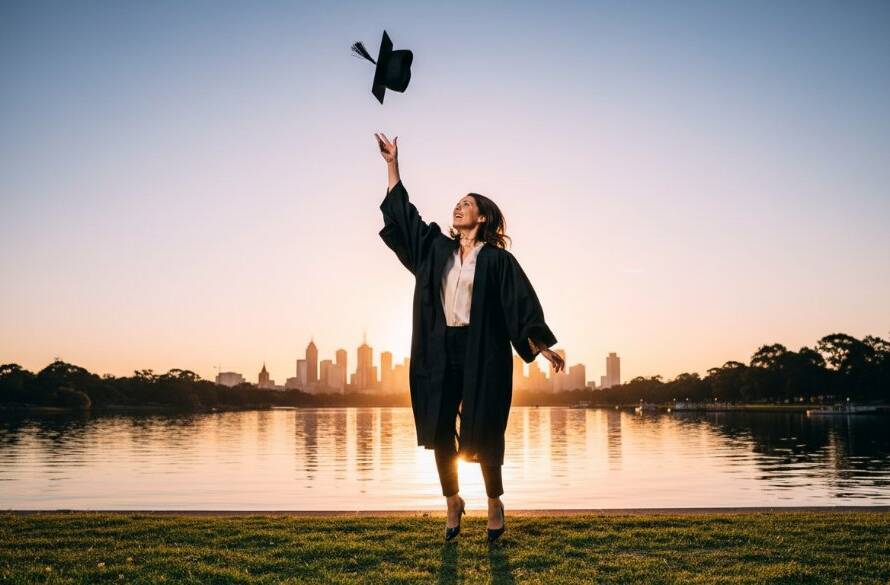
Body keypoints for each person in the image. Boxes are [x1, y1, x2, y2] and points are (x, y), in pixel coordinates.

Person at [375, 133, 564, 543]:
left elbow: (520, 303)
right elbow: (405, 218)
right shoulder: (435, 249)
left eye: (467, 204)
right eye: (457, 203)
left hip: (483, 352)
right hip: (438, 349)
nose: (458, 207)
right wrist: (393, 165)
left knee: (484, 427)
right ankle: (453, 500)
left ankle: (494, 501)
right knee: (441, 426)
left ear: (482, 218)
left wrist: (541, 344)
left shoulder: (497, 260)